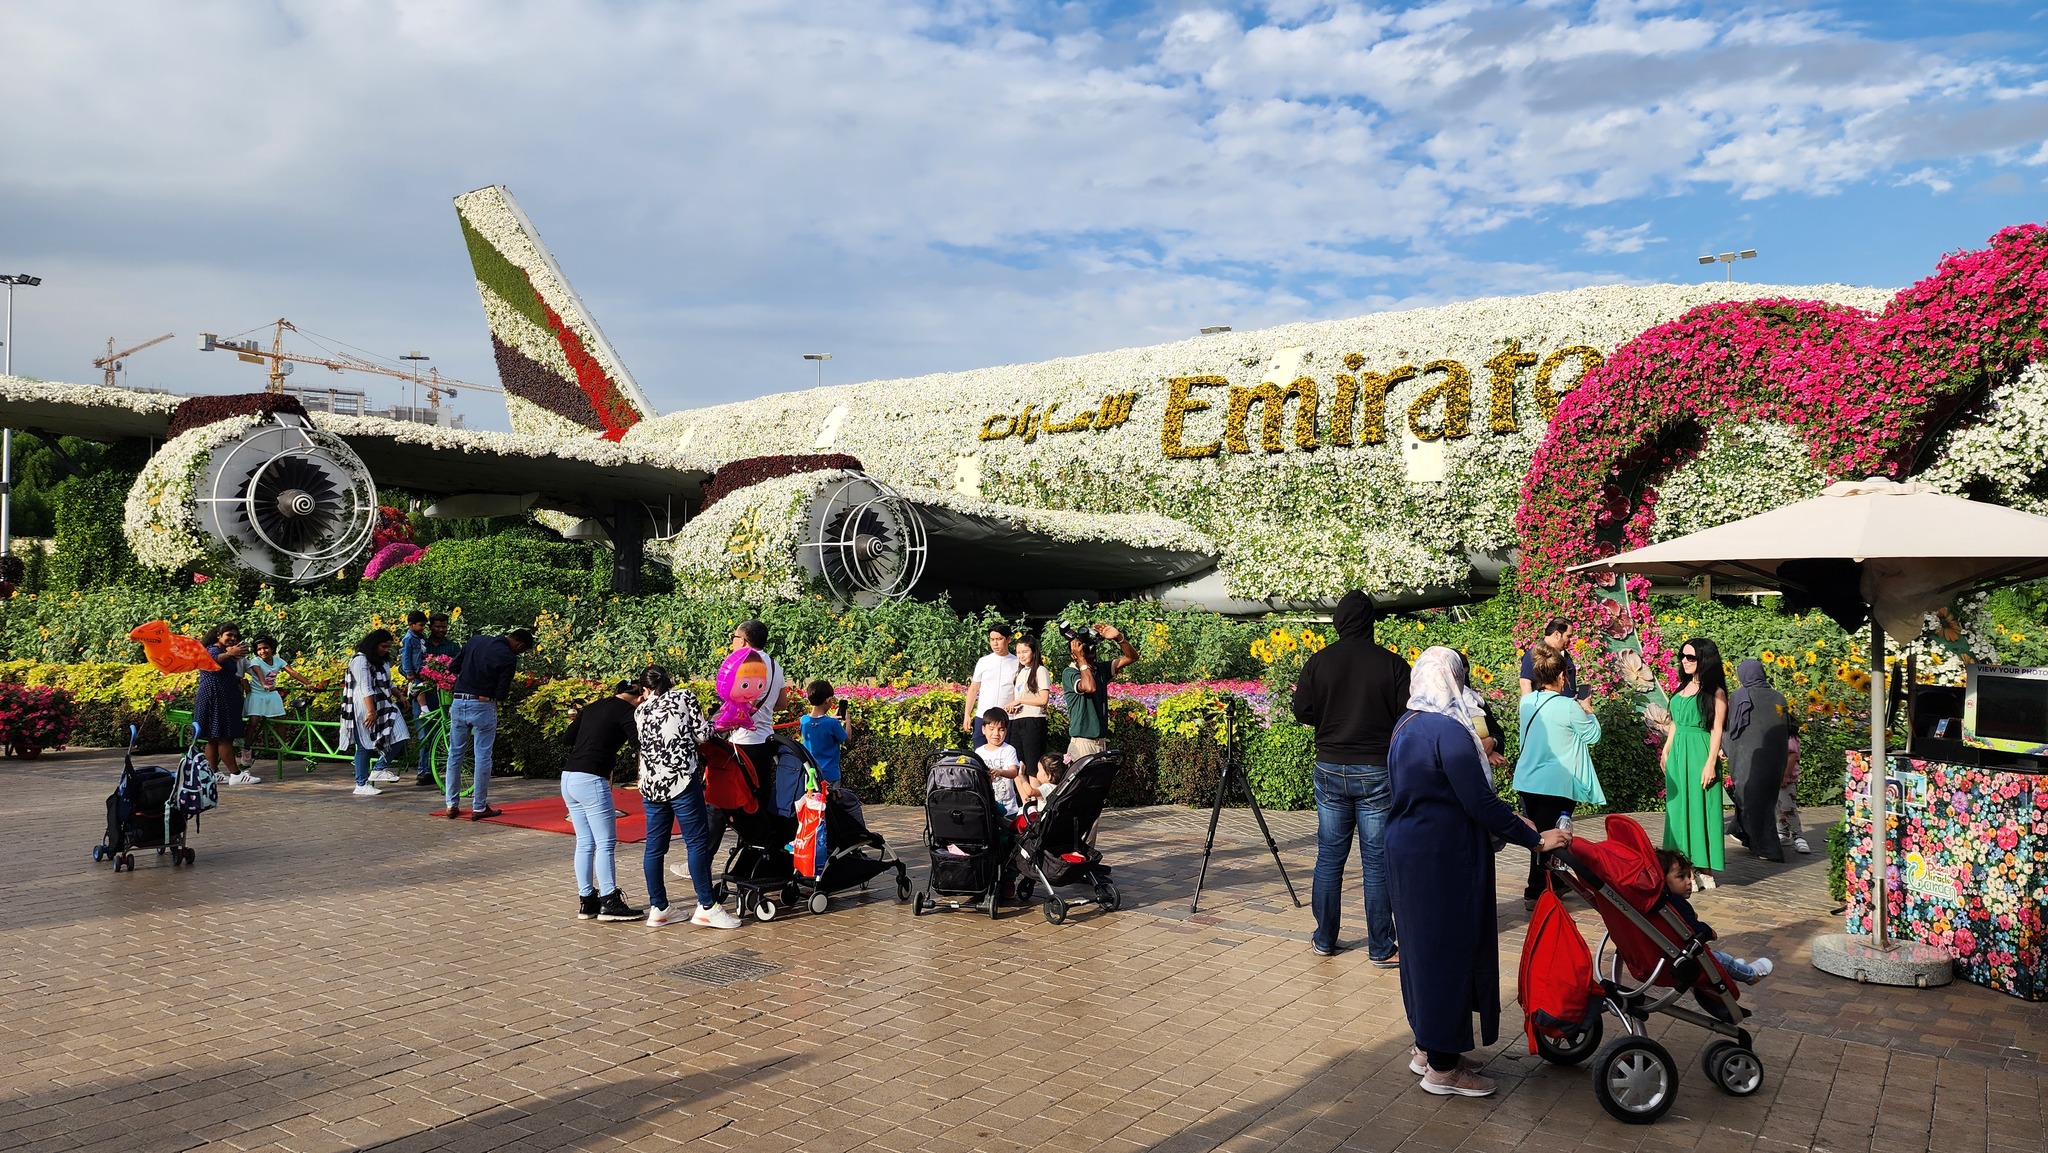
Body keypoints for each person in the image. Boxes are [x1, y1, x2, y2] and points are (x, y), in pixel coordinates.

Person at [1388, 647, 1568, 1098]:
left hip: (1409, 852)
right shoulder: (1449, 731)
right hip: (1443, 858)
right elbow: (1479, 802)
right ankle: (1443, 1069)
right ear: (1453, 679)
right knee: (1447, 954)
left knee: (1422, 952)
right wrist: (1534, 838)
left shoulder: (1406, 723)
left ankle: (1429, 1047)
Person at [1292, 590, 1410, 965]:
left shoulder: (1319, 662)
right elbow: (1407, 714)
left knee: (1329, 857)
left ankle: (1324, 939)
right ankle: (1380, 947)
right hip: (1376, 770)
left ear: (1339, 622)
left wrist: (1330, 719)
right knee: (1376, 863)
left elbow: (1302, 711)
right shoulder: (1393, 664)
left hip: (1330, 766)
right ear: (1370, 622)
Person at [634, 667, 739, 929]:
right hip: (680, 780)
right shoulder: (684, 697)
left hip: (650, 784)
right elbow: (702, 734)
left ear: (645, 689)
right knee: (696, 843)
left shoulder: (640, 710)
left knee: (654, 847)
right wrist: (720, 724)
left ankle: (658, 907)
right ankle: (707, 906)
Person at [1512, 642, 1605, 909]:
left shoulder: (1527, 702)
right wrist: (1588, 710)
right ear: (1562, 676)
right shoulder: (1568, 706)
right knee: (1550, 838)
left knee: (1538, 836)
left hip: (1528, 779)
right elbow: (1592, 736)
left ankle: (1552, 884)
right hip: (1556, 783)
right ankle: (1537, 892)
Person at [561, 679, 646, 923]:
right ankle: (609, 901)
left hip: (569, 777)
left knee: (585, 842)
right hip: (592, 779)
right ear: (640, 696)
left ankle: (587, 901)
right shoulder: (628, 712)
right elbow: (639, 744)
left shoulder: (593, 706)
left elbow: (568, 738)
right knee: (606, 843)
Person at [718, 620, 800, 842]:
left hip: (741, 741)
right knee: (760, 797)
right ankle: (763, 846)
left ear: (743, 641)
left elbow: (735, 701)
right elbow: (782, 703)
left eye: (734, 638)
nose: (732, 642)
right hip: (765, 741)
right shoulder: (774, 664)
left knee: (730, 800)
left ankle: (741, 845)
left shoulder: (742, 663)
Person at [444, 627, 534, 820]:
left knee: (455, 754)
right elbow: (501, 693)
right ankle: (479, 807)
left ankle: (451, 804)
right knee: (483, 756)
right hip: (483, 706)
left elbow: (453, 667)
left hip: (459, 701)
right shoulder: (509, 657)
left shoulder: (475, 640)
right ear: (520, 645)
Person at [1663, 637, 1729, 887]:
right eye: (1682, 656)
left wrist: (1711, 763)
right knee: (1677, 810)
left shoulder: (1715, 693)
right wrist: (1666, 749)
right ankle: (1680, 865)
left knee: (1701, 808)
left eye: (1691, 657)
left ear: (1704, 659)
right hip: (1678, 754)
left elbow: (1717, 729)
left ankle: (1704, 867)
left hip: (1700, 751)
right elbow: (1675, 723)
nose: (1685, 661)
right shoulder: (1682, 688)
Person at [1658, 850, 1775, 985]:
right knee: (1723, 960)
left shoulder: (1662, 901)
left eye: (1688, 876)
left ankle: (1735, 969)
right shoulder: (1674, 902)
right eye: (1681, 877)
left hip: (1666, 958)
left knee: (1723, 961)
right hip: (1685, 960)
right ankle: (1750, 974)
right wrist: (1709, 932)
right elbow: (1692, 928)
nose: (1689, 881)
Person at [1724, 657, 1790, 863]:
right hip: (1775, 760)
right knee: (1763, 802)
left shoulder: (1740, 696)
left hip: (1748, 759)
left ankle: (1768, 848)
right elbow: (1787, 731)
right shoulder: (1779, 698)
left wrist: (1723, 748)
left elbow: (1731, 730)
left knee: (1749, 799)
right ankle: (1746, 835)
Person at [341, 629, 410, 798]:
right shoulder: (360, 660)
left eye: (388, 647)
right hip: (362, 707)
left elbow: (388, 683)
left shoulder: (382, 661)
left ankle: (379, 768)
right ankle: (361, 784)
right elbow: (365, 687)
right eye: (383, 646)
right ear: (373, 645)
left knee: (401, 735)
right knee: (365, 745)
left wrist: (400, 695)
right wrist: (371, 711)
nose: (386, 650)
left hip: (384, 704)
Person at [239, 636, 318, 781]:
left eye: (265, 648)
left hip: (271, 693)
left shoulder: (278, 661)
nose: (263, 651)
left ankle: (283, 745)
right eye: (259, 649)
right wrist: (263, 684)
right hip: (257, 694)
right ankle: (247, 750)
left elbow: (292, 672)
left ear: (272, 648)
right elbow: (259, 673)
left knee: (280, 719)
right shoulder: (255, 661)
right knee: (254, 721)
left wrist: (307, 683)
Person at [1061, 623, 1136, 761]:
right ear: (1073, 655)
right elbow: (1089, 687)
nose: (1089, 649)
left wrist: (1119, 638)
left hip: (1100, 742)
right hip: (1082, 743)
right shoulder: (1070, 673)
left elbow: (1132, 657)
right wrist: (1081, 659)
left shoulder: (1099, 670)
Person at [798, 680, 863, 823]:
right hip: (830, 774)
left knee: (815, 806)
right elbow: (847, 738)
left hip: (811, 775)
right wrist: (848, 721)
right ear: (827, 700)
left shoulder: (804, 721)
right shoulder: (832, 724)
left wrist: (830, 719)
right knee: (832, 808)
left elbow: (818, 724)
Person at [408, 612, 460, 787]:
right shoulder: (421, 644)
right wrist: (418, 675)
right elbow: (405, 665)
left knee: (444, 733)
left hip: (444, 695)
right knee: (425, 735)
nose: (441, 630)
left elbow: (460, 666)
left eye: (444, 627)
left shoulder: (452, 647)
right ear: (430, 627)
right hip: (424, 696)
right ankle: (424, 771)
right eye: (437, 626)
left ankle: (439, 769)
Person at [193, 622, 248, 782]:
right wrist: (230, 654)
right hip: (215, 696)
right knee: (224, 736)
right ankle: (236, 775)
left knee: (214, 737)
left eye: (235, 636)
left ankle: (213, 773)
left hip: (220, 695)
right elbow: (213, 660)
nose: (233, 638)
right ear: (218, 635)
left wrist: (238, 680)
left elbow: (223, 672)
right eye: (229, 635)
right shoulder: (212, 650)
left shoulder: (224, 651)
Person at [961, 625, 1018, 748]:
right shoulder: (983, 661)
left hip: (1007, 717)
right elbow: (973, 689)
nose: (995, 643)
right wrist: (967, 715)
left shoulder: (1017, 662)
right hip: (983, 716)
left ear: (1008, 639)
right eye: (992, 639)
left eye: (999, 639)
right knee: (980, 753)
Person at [1006, 636, 1051, 770]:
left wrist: (1020, 701)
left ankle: (1035, 785)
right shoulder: (1019, 673)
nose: (1021, 656)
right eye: (1018, 652)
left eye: (1025, 652)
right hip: (1018, 720)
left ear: (1033, 652)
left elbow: (1043, 699)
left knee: (1033, 767)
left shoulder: (1040, 670)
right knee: (1018, 765)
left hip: (1034, 720)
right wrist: (1014, 706)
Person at [977, 708, 1024, 818]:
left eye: (1001, 730)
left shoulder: (1009, 750)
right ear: (983, 729)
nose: (996, 734)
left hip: (1009, 808)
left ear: (1006, 731)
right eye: (991, 729)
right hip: (987, 806)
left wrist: (1000, 772)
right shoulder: (979, 752)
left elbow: (1013, 772)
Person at [1518, 617, 1578, 697]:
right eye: (1568, 636)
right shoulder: (1534, 655)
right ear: (1557, 634)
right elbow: (1525, 683)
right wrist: (1528, 704)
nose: (1570, 640)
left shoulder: (1563, 653)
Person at [1777, 732, 1809, 854]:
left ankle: (1798, 836)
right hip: (1774, 776)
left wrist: (1785, 775)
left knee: (1787, 807)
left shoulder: (1789, 736)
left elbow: (1793, 754)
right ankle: (1782, 832)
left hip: (1786, 778)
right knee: (1777, 807)